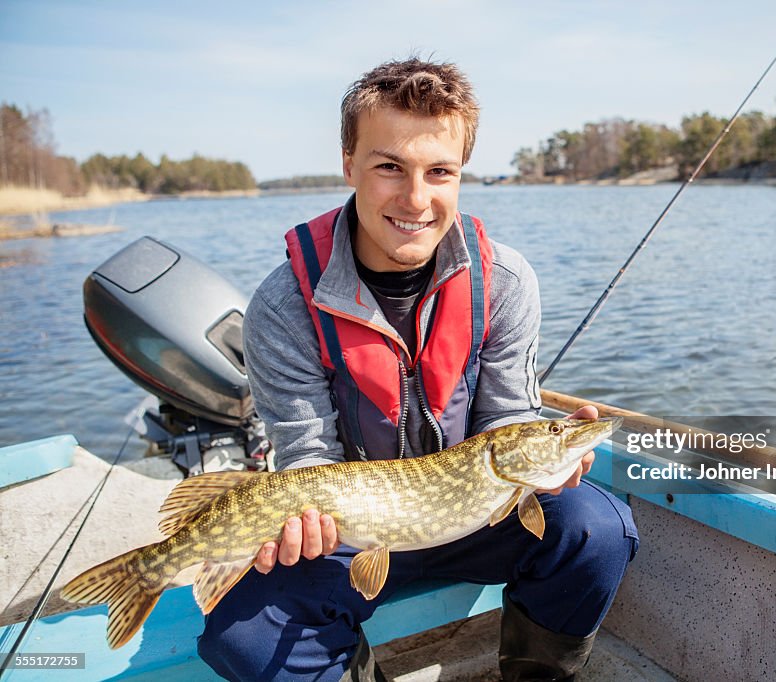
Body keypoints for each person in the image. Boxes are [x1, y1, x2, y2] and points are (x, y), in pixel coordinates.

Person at [198, 57, 638, 682]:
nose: (415, 198)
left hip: (480, 510)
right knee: (244, 638)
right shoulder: (284, 305)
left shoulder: (506, 281)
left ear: (461, 174)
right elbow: (308, 460)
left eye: (439, 172)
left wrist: (549, 460)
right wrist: (303, 527)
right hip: (349, 530)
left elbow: (510, 418)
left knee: (597, 530)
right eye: (388, 167)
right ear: (348, 163)